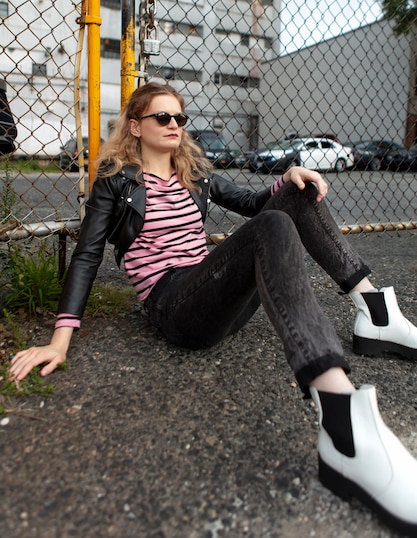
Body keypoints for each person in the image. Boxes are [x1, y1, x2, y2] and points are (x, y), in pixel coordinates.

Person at [9, 82, 417, 534]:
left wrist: (287, 179)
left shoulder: (194, 173)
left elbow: (251, 202)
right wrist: (59, 341)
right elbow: (87, 254)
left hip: (217, 294)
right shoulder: (115, 181)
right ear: (135, 126)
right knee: (273, 226)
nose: (174, 126)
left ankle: (376, 312)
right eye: (162, 118)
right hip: (176, 307)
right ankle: (344, 421)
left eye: (180, 119)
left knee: (293, 198)